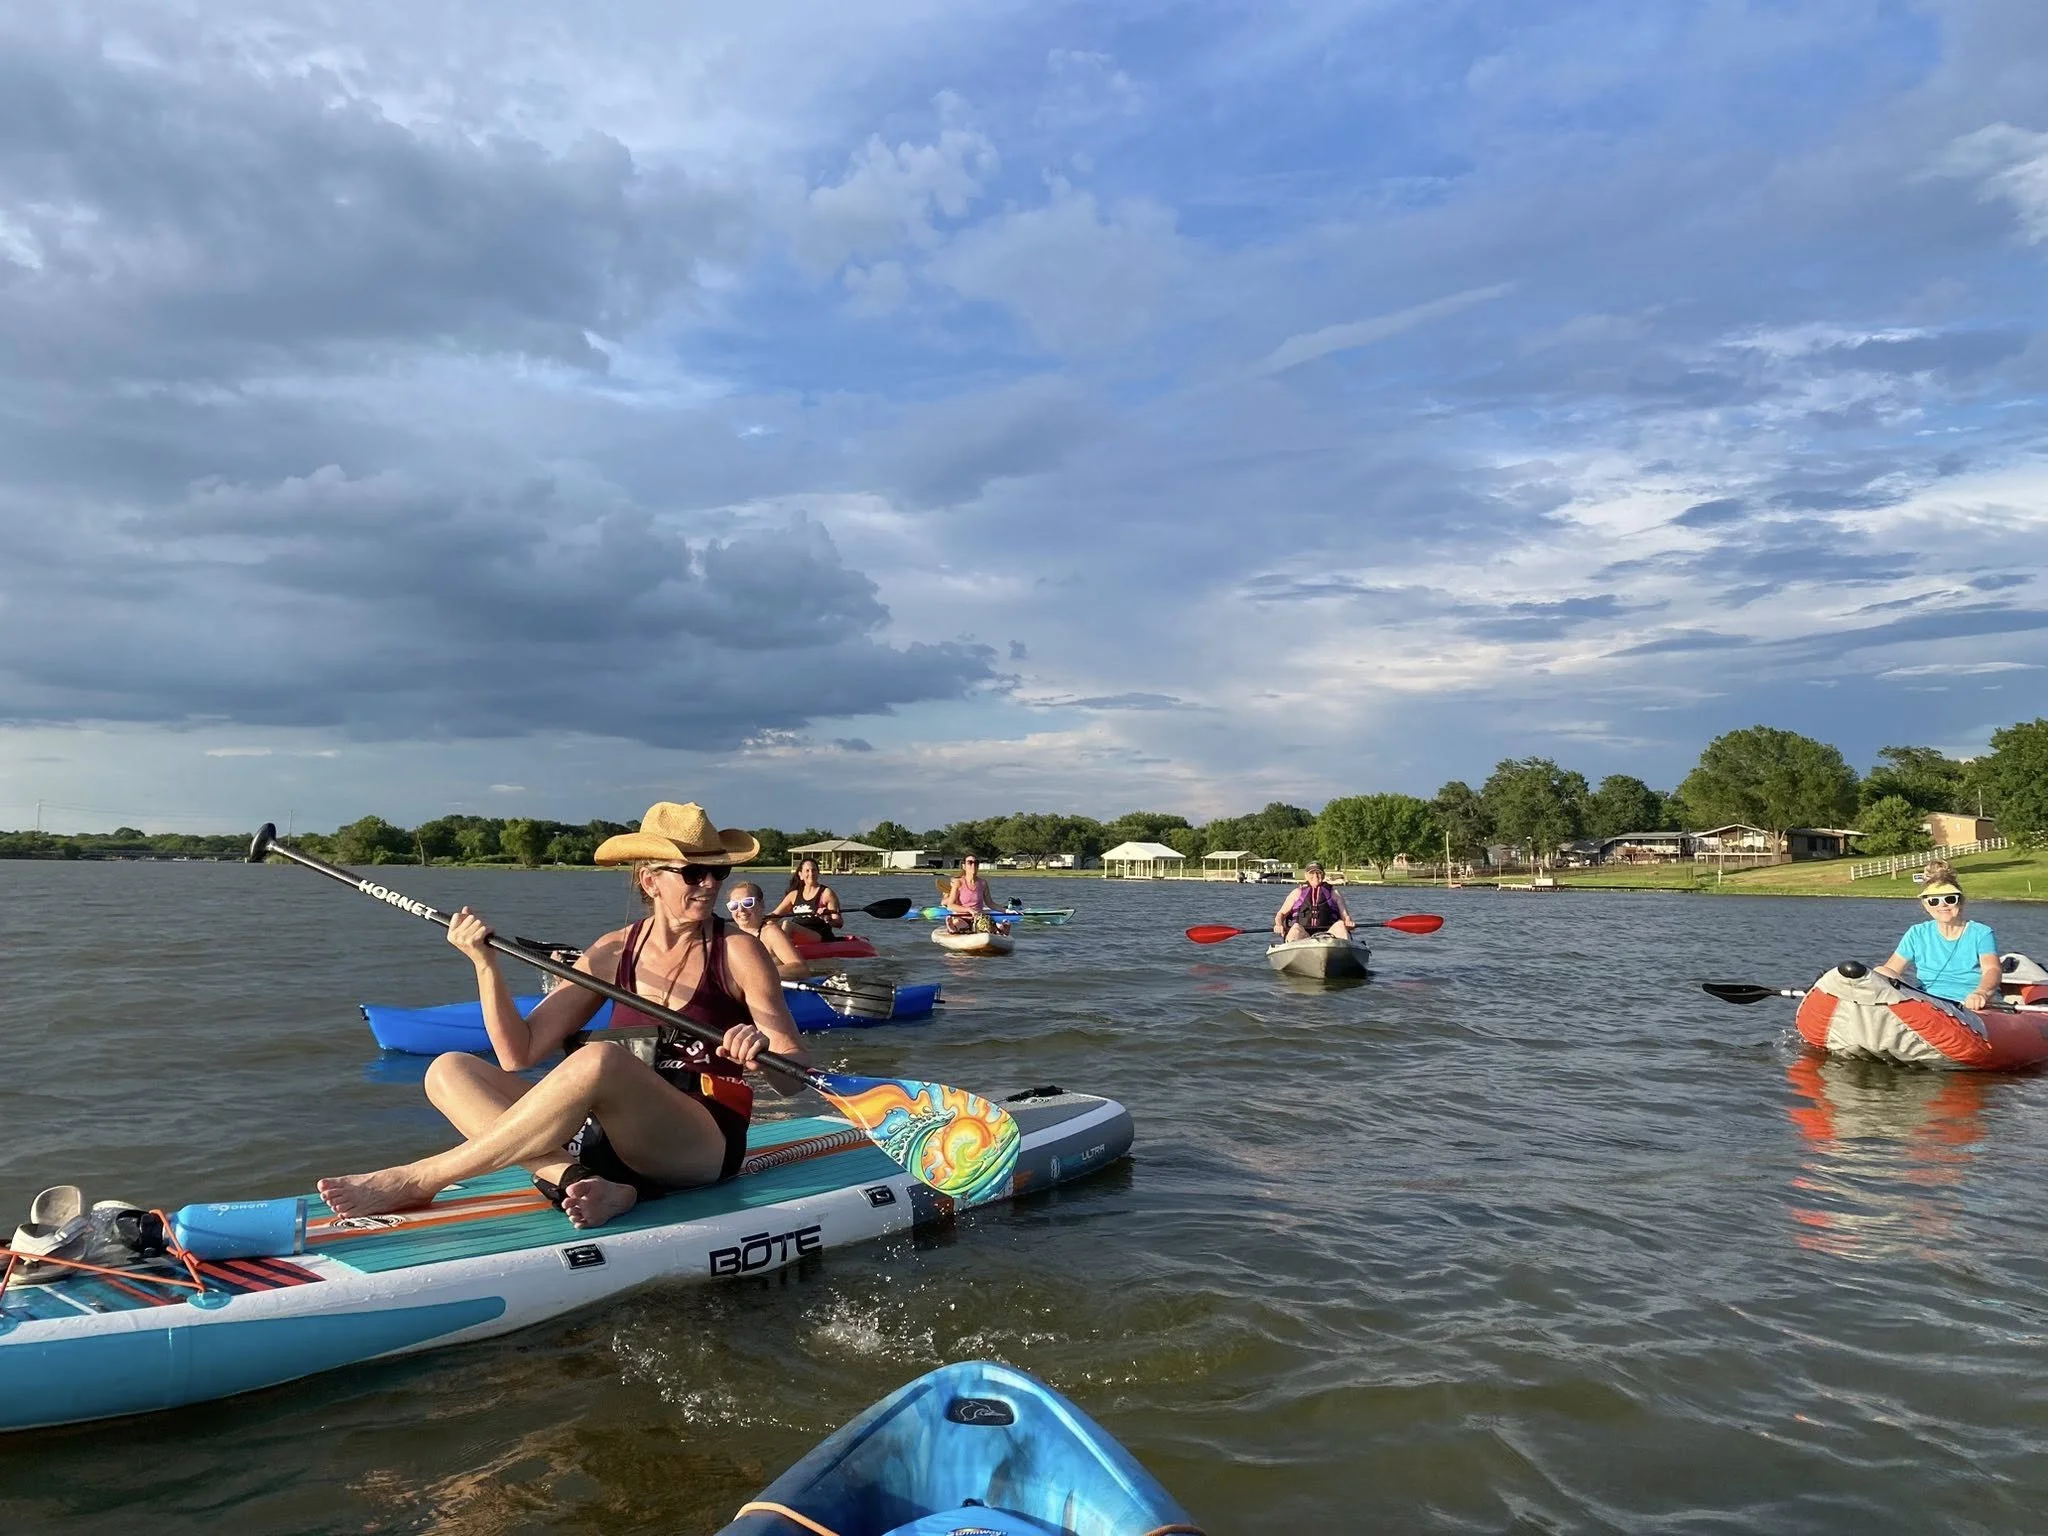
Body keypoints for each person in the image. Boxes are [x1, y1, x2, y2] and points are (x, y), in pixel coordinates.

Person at [316, 801, 807, 1231]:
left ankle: (421, 1178)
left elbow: (794, 1079)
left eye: (718, 873)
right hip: (607, 1136)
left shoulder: (739, 951)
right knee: (449, 1070)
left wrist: (762, 1052)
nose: (710, 885)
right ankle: (577, 1180)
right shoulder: (612, 951)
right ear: (650, 880)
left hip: (698, 1141)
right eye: (694, 873)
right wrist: (485, 965)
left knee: (599, 1061)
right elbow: (518, 1054)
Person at [1874, 863, 1999, 1012]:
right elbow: (1890, 969)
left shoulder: (1981, 933)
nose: (1943, 905)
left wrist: (1981, 993)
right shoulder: (1917, 933)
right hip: (1928, 1005)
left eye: (1950, 899)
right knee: (1881, 972)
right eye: (1934, 901)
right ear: (1926, 906)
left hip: (1968, 1005)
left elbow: (1992, 969)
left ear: (1960, 902)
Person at [727, 880, 810, 981]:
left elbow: (801, 969)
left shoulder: (770, 933)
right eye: (734, 905)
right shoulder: (729, 936)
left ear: (761, 904)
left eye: (748, 903)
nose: (740, 909)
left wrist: (757, 974)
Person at [1273, 861, 1355, 942]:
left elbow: (1345, 916)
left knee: (1340, 925)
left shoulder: (1335, 893)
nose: (1315, 876)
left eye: (1318, 873)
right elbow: (1281, 914)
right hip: (1303, 935)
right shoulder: (1297, 893)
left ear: (1323, 875)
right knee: (1295, 928)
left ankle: (1343, 948)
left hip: (1329, 935)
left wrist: (1348, 922)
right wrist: (1278, 924)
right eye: (1312, 873)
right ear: (1306, 876)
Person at [773, 856, 842, 944]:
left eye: (814, 870)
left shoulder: (826, 893)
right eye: (807, 871)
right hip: (799, 934)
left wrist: (827, 918)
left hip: (819, 936)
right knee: (772, 926)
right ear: (800, 875)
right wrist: (759, 919)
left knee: (787, 924)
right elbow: (774, 916)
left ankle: (781, 950)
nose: (811, 873)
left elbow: (839, 923)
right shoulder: (793, 895)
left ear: (818, 873)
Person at [941, 856, 998, 934]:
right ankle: (953, 927)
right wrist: (968, 909)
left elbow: (990, 904)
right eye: (970, 863)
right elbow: (950, 905)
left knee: (992, 926)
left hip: (978, 918)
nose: (973, 865)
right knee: (959, 923)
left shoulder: (983, 883)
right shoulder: (958, 882)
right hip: (961, 918)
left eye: (976, 863)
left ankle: (1001, 929)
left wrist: (1006, 910)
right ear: (964, 866)